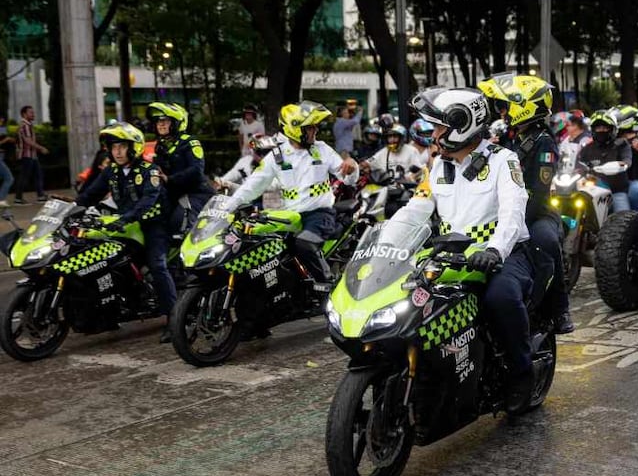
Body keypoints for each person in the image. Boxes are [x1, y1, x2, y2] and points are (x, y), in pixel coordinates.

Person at [393, 87, 535, 414]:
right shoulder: (438, 165)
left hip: (503, 254)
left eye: (440, 127)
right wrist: (389, 238)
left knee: (499, 299)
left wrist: (496, 250)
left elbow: (514, 211)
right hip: (449, 257)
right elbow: (416, 208)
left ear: (463, 125)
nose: (435, 134)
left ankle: (521, 373)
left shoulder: (503, 160)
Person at [228, 101, 358, 302]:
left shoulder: (322, 149)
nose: (315, 131)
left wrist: (351, 167)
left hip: (319, 215)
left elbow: (348, 177)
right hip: (289, 217)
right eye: (310, 127)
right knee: (262, 252)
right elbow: (252, 185)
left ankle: (328, 291)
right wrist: (229, 207)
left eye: (315, 127)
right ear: (295, 129)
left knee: (304, 242)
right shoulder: (276, 156)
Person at [479, 73, 573, 335]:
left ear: (525, 106)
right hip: (505, 209)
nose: (502, 111)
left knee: (546, 242)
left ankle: (560, 308)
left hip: (536, 212)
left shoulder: (544, 142)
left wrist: (514, 220)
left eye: (506, 105)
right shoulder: (509, 137)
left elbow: (539, 192)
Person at [76, 122, 175, 342]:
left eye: (122, 146)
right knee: (100, 261)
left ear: (134, 147)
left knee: (157, 265)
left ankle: (174, 318)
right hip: (123, 226)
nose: (117, 152)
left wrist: (125, 218)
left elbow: (148, 201)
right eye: (113, 147)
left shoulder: (149, 170)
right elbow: (90, 195)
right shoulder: (111, 171)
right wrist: (72, 209)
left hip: (153, 225)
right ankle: (105, 315)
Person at [147, 102, 214, 234]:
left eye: (165, 121)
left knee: (180, 224)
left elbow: (196, 170)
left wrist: (169, 179)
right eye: (158, 121)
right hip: (172, 195)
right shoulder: (160, 146)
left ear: (177, 122)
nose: (160, 124)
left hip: (195, 194)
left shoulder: (189, 142)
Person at [578, 110, 632, 213]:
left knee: (623, 216)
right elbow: (578, 166)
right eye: (598, 128)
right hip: (592, 192)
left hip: (616, 192)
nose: (601, 130)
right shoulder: (587, 149)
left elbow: (627, 161)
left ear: (612, 129)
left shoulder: (621, 145)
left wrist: (619, 165)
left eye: (605, 127)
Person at [613, 106, 638, 212]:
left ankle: (637, 216)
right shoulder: (611, 140)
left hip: (632, 179)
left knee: (634, 191)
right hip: (614, 180)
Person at [13, 105, 48, 204]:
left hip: (32, 155)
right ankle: (18, 198)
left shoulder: (27, 125)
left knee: (38, 174)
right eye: (30, 113)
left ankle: (40, 195)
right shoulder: (25, 126)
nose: (33, 114)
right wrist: (41, 148)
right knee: (24, 176)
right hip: (26, 155)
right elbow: (28, 141)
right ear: (24, 114)